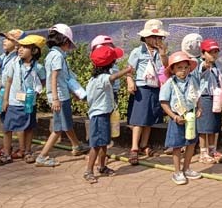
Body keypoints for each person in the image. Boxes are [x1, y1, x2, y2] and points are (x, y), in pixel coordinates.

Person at [34, 24, 90, 167]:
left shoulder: (53, 54)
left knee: (66, 123)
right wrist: (56, 98)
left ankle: (77, 146)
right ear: (65, 42)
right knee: (58, 128)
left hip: (60, 95)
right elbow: (54, 77)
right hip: (60, 97)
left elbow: (62, 78)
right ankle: (42, 156)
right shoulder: (58, 56)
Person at [0, 34, 45, 167]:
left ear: (34, 51)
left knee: (28, 128)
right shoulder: (14, 63)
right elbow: (9, 81)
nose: (20, 49)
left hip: (28, 103)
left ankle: (27, 152)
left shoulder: (38, 68)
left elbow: (43, 81)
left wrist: (36, 93)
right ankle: (6, 153)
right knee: (7, 128)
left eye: (25, 47)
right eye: (20, 47)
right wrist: (5, 100)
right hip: (13, 102)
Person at [84, 45, 132, 182]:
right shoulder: (102, 78)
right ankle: (88, 170)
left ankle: (102, 166)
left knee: (104, 142)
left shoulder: (94, 78)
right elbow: (113, 77)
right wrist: (127, 70)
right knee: (96, 144)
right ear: (111, 63)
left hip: (104, 114)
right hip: (99, 116)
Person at [125, 19, 168, 165]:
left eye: (158, 37)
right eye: (153, 37)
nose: (156, 40)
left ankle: (144, 145)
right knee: (139, 119)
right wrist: (130, 81)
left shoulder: (161, 52)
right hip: (142, 88)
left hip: (156, 87)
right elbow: (129, 70)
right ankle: (134, 148)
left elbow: (167, 69)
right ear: (145, 37)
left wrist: (163, 54)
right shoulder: (137, 52)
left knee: (150, 118)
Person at [160, 51, 202, 184]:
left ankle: (187, 168)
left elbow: (197, 96)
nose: (183, 71)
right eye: (179, 68)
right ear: (172, 69)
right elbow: (164, 102)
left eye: (186, 68)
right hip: (177, 118)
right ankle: (177, 171)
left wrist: (199, 108)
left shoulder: (192, 80)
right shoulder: (169, 84)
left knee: (191, 143)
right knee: (177, 145)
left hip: (190, 115)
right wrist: (174, 116)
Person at [0, 28, 24, 158]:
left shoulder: (19, 56)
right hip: (3, 92)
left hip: (13, 94)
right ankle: (7, 146)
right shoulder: (4, 56)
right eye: (5, 38)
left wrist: (18, 42)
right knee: (5, 120)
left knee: (17, 121)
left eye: (9, 39)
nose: (5, 41)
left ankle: (22, 148)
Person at [196, 38, 222, 163]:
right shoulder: (200, 64)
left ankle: (212, 150)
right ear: (203, 54)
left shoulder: (216, 66)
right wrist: (205, 65)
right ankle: (203, 152)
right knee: (203, 127)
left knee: (213, 125)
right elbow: (200, 70)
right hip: (205, 97)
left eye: (215, 52)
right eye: (210, 52)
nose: (213, 55)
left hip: (216, 98)